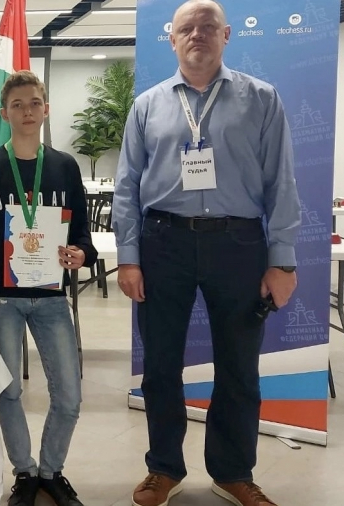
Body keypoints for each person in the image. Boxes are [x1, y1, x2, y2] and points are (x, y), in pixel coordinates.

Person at [112, 2, 300, 506]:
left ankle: (233, 472)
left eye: (208, 27)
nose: (197, 35)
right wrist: (128, 257)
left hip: (239, 244)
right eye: (187, 29)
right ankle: (163, 468)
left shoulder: (262, 99)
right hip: (163, 243)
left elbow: (281, 181)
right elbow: (126, 185)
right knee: (160, 365)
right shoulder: (147, 105)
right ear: (172, 38)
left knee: (239, 366)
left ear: (227, 35)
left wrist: (282, 260)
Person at [0, 70, 96, 506]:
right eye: (17, 105)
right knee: (9, 391)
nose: (27, 111)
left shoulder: (64, 166)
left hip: (51, 297)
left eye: (34, 103)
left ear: (46, 109)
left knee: (69, 396)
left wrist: (81, 254)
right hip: (1, 299)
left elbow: (83, 234)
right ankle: (25, 472)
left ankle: (51, 471)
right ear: (5, 114)